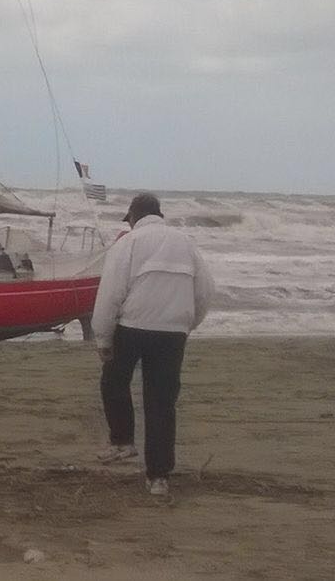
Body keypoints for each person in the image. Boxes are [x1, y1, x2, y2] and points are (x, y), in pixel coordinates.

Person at [91, 192, 215, 495]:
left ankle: (122, 442)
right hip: (172, 332)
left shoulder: (129, 243)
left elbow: (110, 293)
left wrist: (103, 338)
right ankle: (158, 477)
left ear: (133, 217)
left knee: (113, 382)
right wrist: (187, 324)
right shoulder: (185, 242)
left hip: (133, 326)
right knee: (161, 402)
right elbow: (205, 289)